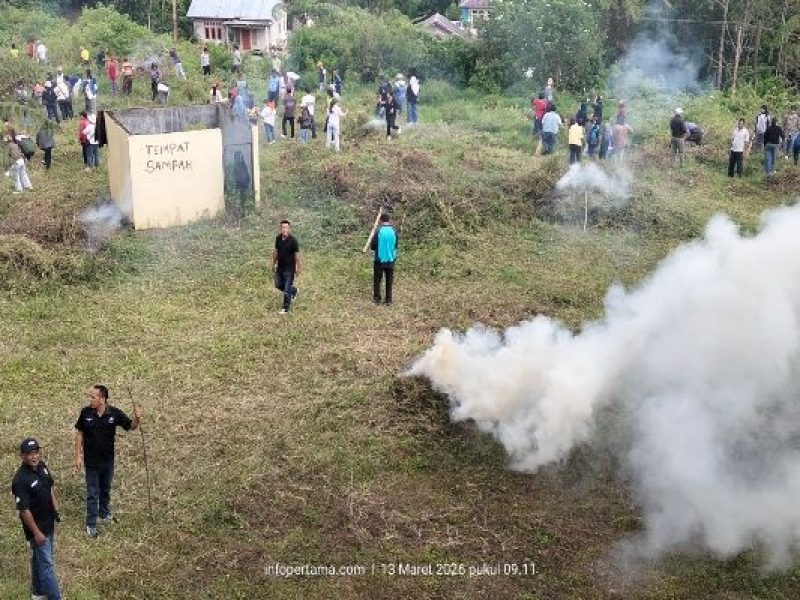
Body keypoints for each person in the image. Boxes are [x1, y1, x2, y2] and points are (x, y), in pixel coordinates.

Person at [75, 384, 141, 538]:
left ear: (102, 399)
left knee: (105, 489)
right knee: (93, 493)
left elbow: (131, 426)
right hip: (91, 462)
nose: (90, 399)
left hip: (107, 461)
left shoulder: (115, 414)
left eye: (93, 397)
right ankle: (91, 525)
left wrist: (137, 418)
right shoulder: (85, 413)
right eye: (90, 396)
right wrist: (78, 455)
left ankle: (104, 513)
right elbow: (79, 433)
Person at [12, 438, 62, 600]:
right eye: (30, 454)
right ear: (22, 456)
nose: (34, 456)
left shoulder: (42, 466)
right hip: (37, 529)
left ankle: (38, 592)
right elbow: (24, 510)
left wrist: (55, 507)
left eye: (36, 452)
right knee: (47, 565)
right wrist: (36, 533)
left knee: (39, 559)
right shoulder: (20, 480)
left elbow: (49, 486)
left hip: (49, 523)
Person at [272, 220, 301, 314]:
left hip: (289, 269)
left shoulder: (293, 241)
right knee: (278, 284)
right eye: (282, 227)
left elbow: (297, 255)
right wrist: (274, 263)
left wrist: (298, 267)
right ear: (280, 228)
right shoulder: (278, 238)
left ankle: (285, 308)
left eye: (286, 227)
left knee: (287, 288)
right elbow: (276, 252)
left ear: (289, 229)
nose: (284, 229)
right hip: (280, 267)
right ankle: (294, 291)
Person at [371, 213, 398, 306]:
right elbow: (395, 245)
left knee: (377, 280)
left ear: (381, 220)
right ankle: (388, 300)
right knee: (389, 280)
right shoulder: (394, 231)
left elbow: (373, 246)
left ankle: (377, 299)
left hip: (379, 260)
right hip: (391, 260)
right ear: (389, 220)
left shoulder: (378, 231)